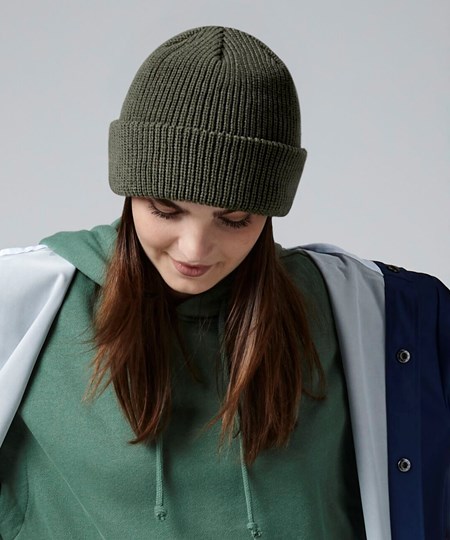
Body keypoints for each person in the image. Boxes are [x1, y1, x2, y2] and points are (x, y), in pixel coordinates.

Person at [0, 25, 448, 540]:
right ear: (127, 192)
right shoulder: (32, 308)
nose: (194, 249)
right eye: (165, 209)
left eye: (234, 220)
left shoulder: (371, 315)